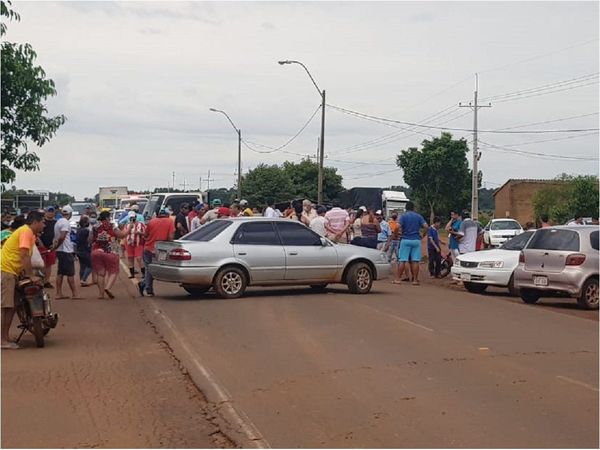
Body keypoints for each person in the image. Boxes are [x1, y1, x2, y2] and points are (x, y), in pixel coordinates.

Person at [1, 211, 46, 349]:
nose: (44, 225)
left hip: (11, 271)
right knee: (6, 307)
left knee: (12, 305)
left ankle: (5, 337)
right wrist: (30, 275)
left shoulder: (28, 233)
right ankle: (2, 340)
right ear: (35, 222)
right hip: (6, 270)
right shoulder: (26, 232)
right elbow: (24, 255)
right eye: (43, 222)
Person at [138, 207, 175, 297]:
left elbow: (146, 235)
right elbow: (170, 237)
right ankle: (148, 288)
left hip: (149, 248)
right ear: (167, 215)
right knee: (157, 269)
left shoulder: (152, 221)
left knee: (149, 269)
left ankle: (145, 285)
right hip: (161, 250)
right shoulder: (170, 222)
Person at [91, 211, 128, 299]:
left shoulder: (95, 227)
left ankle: (101, 294)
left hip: (96, 251)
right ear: (107, 218)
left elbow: (90, 239)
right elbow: (121, 235)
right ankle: (107, 287)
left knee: (100, 274)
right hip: (111, 251)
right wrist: (129, 228)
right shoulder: (112, 226)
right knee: (113, 271)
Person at [394, 202, 428, 285]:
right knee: (415, 261)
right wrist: (423, 235)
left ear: (406, 208)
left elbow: (397, 227)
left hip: (405, 239)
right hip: (416, 240)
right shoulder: (418, 216)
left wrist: (396, 235)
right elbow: (426, 226)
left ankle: (398, 279)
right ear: (413, 208)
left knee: (402, 260)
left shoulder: (403, 216)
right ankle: (415, 280)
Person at [52, 205, 82, 300]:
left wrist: (56, 246)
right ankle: (74, 294)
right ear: (70, 214)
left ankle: (59, 293)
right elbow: (62, 236)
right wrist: (57, 245)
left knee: (60, 272)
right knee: (70, 273)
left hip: (61, 250)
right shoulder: (65, 223)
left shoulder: (58, 222)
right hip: (66, 250)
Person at [38, 207, 57, 288]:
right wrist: (40, 243)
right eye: (49, 211)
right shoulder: (42, 222)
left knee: (49, 264)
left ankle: (46, 281)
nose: (50, 213)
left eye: (52, 212)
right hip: (41, 246)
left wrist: (54, 243)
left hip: (51, 246)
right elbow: (37, 233)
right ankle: (40, 281)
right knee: (41, 264)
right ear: (45, 212)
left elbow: (57, 234)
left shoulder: (56, 222)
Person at [125, 211, 146, 279]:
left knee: (139, 258)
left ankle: (144, 273)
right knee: (130, 258)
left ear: (135, 217)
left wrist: (139, 233)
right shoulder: (127, 225)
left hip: (138, 243)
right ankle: (132, 274)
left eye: (133, 217)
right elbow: (124, 233)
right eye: (130, 218)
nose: (132, 219)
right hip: (129, 243)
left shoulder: (140, 224)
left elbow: (145, 233)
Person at [75, 215, 93, 286]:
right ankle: (84, 279)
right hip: (85, 250)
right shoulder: (86, 231)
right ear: (85, 223)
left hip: (78, 250)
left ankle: (82, 280)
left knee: (82, 266)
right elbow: (90, 240)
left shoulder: (78, 230)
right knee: (90, 265)